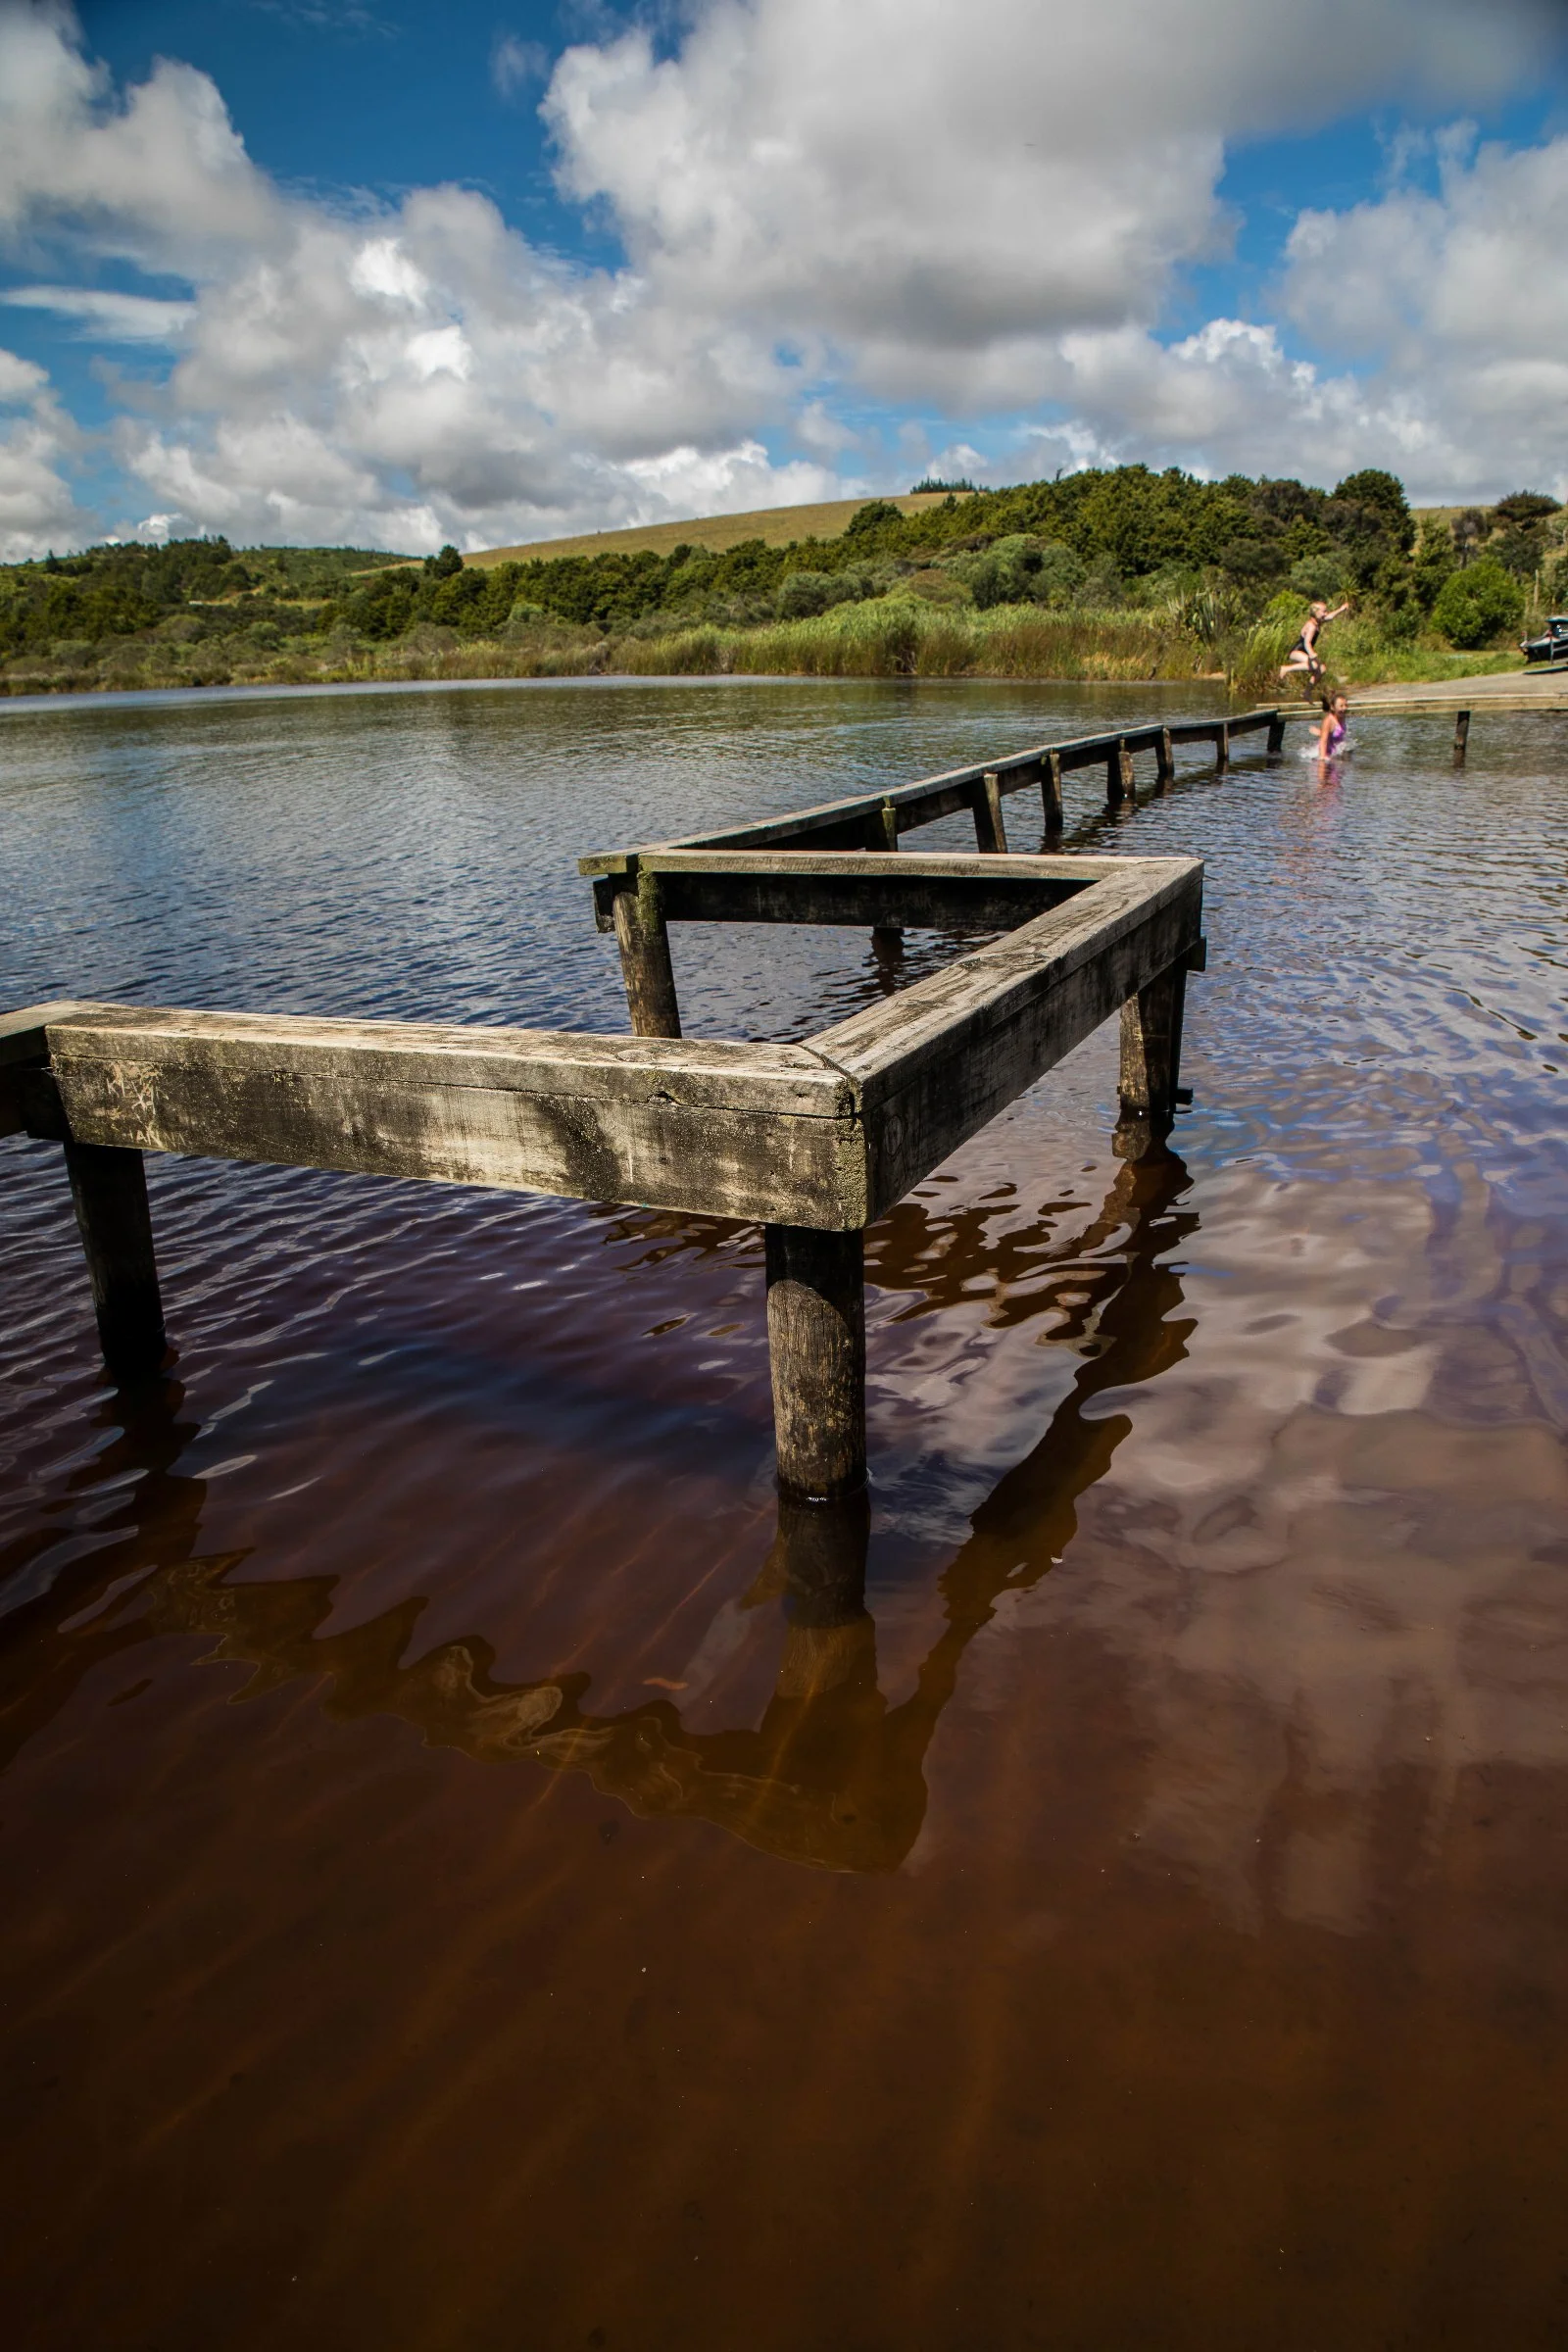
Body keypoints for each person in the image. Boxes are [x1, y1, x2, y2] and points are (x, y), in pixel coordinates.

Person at [1281, 597, 1350, 685]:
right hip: (1297, 651)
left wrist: (1341, 609)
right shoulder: (1312, 626)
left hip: (1305, 652)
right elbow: (1307, 642)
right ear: (1315, 612)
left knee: (1321, 669)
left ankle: (1307, 692)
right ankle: (1286, 668)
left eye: (1326, 611)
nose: (1326, 614)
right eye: (1324, 611)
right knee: (1315, 665)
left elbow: (1329, 617)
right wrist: (1312, 654)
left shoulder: (1318, 622)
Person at [1316, 691, 1349, 761]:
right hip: (1328, 753)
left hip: (1336, 753)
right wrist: (1322, 758)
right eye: (1341, 706)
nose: (1344, 708)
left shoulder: (1342, 716)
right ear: (1332, 707)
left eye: (1346, 705)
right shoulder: (1328, 721)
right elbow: (1323, 741)